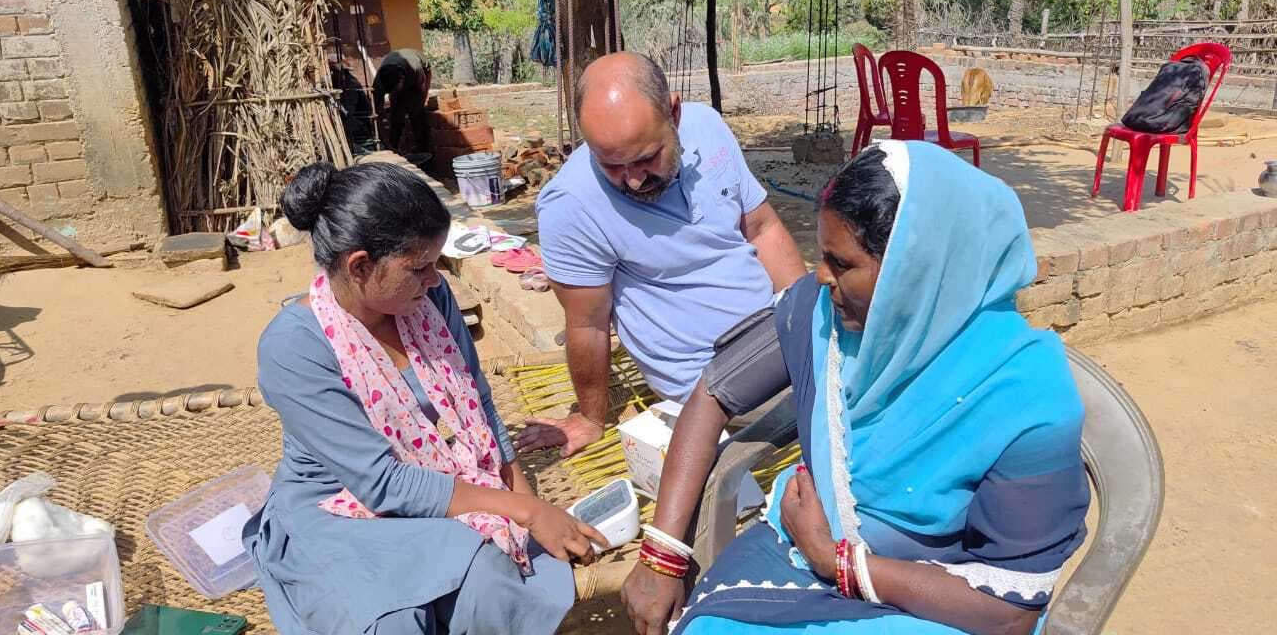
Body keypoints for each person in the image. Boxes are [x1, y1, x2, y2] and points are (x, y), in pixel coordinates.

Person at [621, 141, 1090, 635]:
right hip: (798, 550)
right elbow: (713, 393)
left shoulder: (1027, 396)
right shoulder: (820, 314)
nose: (821, 276)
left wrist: (836, 561)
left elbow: (1010, 612)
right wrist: (662, 554)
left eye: (841, 264)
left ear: (915, 271)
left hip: (944, 598)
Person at [243, 161, 607, 635]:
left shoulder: (430, 300)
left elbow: (478, 404)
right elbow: (382, 483)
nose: (435, 279)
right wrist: (526, 512)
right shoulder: (295, 347)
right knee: (400, 618)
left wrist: (524, 500)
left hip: (437, 478)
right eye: (419, 268)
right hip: (338, 508)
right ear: (361, 267)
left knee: (497, 576)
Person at [519, 52, 806, 456]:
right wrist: (590, 417)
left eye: (647, 157)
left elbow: (763, 228)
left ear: (674, 113)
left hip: (779, 335)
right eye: (612, 166)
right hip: (717, 381)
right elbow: (587, 323)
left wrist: (808, 318)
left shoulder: (707, 126)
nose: (634, 180)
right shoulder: (572, 204)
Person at [373, 48, 432, 155]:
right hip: (400, 77)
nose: (394, 93)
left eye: (396, 89)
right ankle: (393, 147)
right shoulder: (379, 82)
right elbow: (377, 113)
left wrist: (420, 105)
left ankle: (423, 150)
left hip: (420, 74)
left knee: (417, 115)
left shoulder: (415, 70)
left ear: (402, 79)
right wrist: (385, 140)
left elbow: (423, 89)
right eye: (392, 92)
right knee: (396, 117)